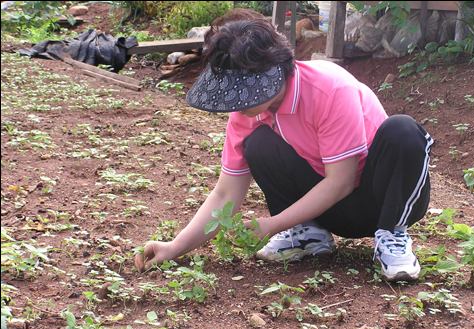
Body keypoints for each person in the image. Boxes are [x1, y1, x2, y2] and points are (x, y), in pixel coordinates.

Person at [135, 10, 434, 282]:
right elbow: (226, 192)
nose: (238, 103)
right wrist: (174, 247)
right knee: (260, 143)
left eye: (245, 92)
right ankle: (310, 234)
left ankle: (392, 235)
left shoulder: (329, 89)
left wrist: (272, 224)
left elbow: (341, 182)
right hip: (330, 209)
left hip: (380, 199)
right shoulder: (246, 114)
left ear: (272, 71)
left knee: (403, 130)